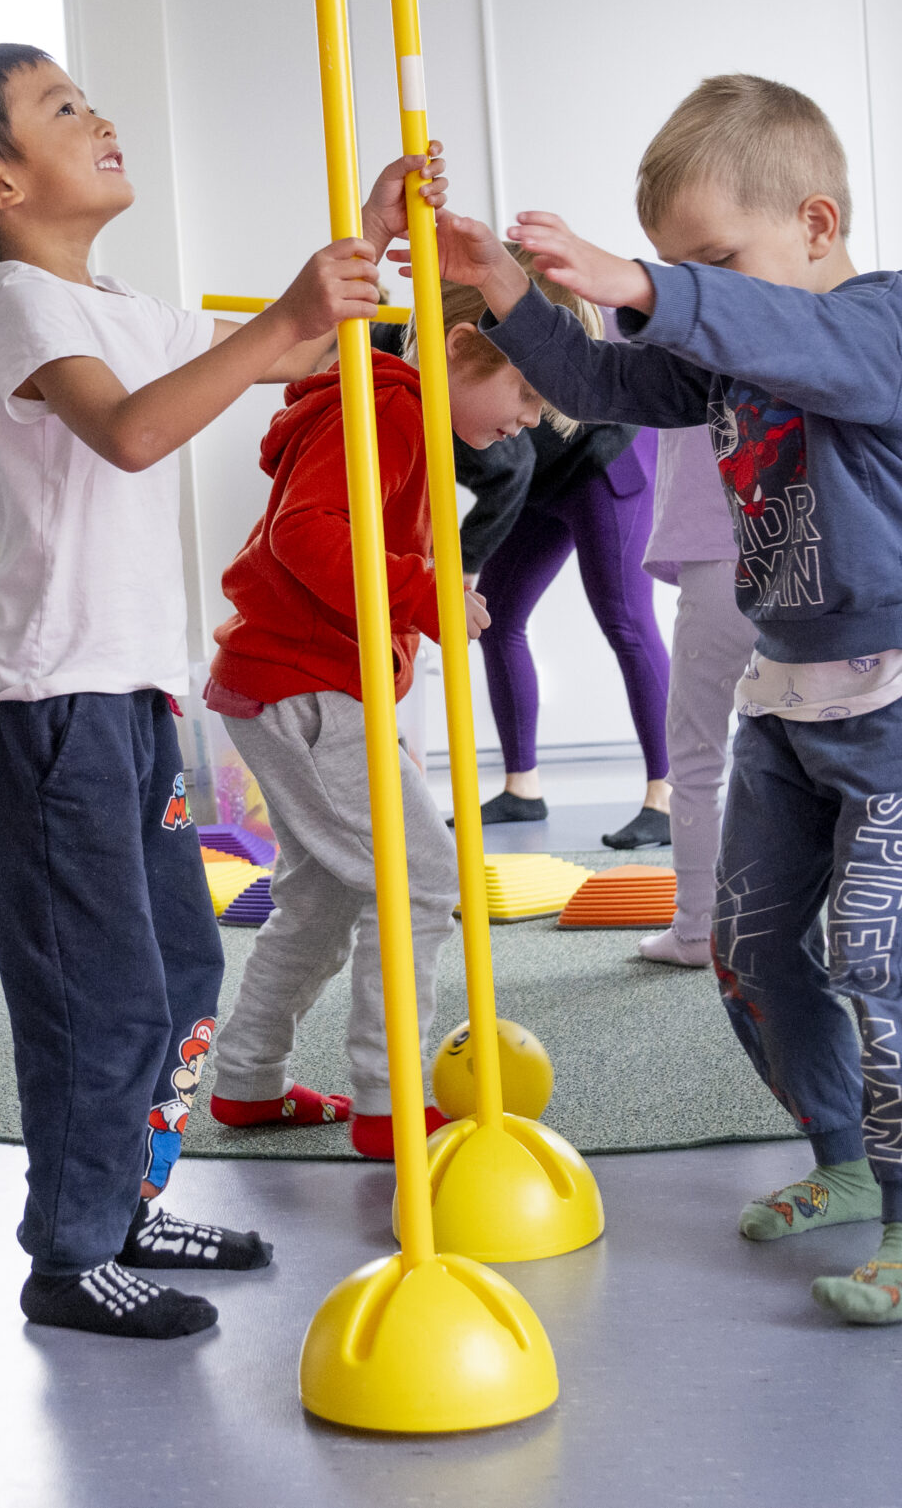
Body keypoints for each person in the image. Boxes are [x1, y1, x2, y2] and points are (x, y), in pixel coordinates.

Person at [429, 73, 902, 1327]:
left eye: (719, 262)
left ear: (818, 223)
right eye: (688, 270)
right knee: (744, 949)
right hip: (790, 692)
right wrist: (515, 291)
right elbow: (614, 384)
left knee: (885, 957)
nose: (699, 295)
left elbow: (776, 339)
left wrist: (644, 279)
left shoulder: (890, 321)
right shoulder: (726, 352)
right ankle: (840, 1156)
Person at [0, 39, 427, 1339]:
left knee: (185, 967)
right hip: (48, 709)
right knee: (101, 991)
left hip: (134, 700)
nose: (99, 116)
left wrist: (366, 261)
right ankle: (70, 1257)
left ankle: (130, 1204)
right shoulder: (26, 300)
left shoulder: (130, 306)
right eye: (62, 108)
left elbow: (288, 359)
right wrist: (279, 323)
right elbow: (134, 432)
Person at [206, 266, 587, 1160]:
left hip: (299, 679)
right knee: (421, 879)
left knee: (321, 898)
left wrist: (428, 593)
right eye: (525, 389)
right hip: (304, 683)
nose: (530, 417)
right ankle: (387, 1100)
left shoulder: (400, 413)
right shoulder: (387, 410)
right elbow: (304, 532)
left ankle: (248, 1079)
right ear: (460, 346)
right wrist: (423, 590)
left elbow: (348, 541)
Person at [464, 414, 675, 852]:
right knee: (496, 617)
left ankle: (669, 797)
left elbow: (507, 463)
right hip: (542, 473)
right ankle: (522, 788)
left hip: (606, 450)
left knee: (626, 621)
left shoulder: (415, 359)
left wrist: (463, 560)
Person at [636, 426, 758, 965]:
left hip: (718, 555)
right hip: (809, 549)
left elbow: (608, 351)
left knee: (695, 757)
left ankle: (694, 930)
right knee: (804, 749)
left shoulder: (676, 338)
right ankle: (792, 925)